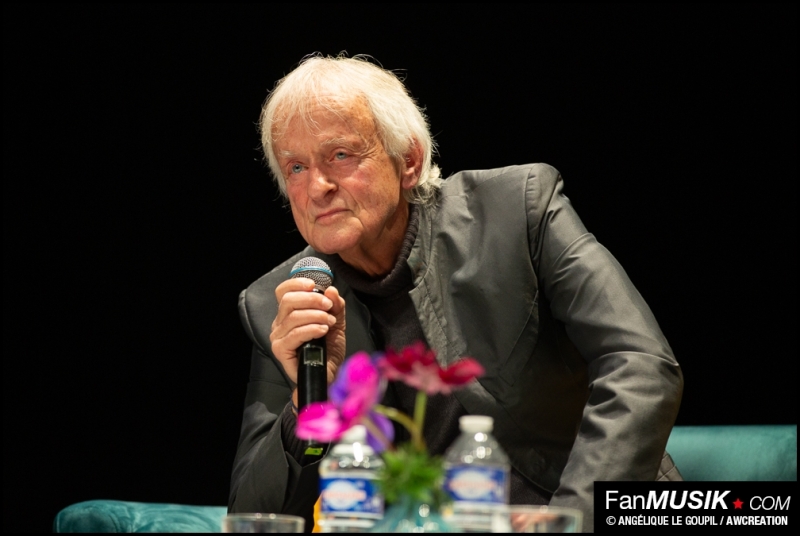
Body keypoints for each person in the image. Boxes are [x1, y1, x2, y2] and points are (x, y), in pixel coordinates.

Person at [228, 54, 683, 532]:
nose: (317, 186)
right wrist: (308, 405)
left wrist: (565, 521)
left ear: (408, 160)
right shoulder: (282, 303)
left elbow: (642, 365)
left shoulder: (517, 211)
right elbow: (255, 515)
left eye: (340, 155)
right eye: (296, 167)